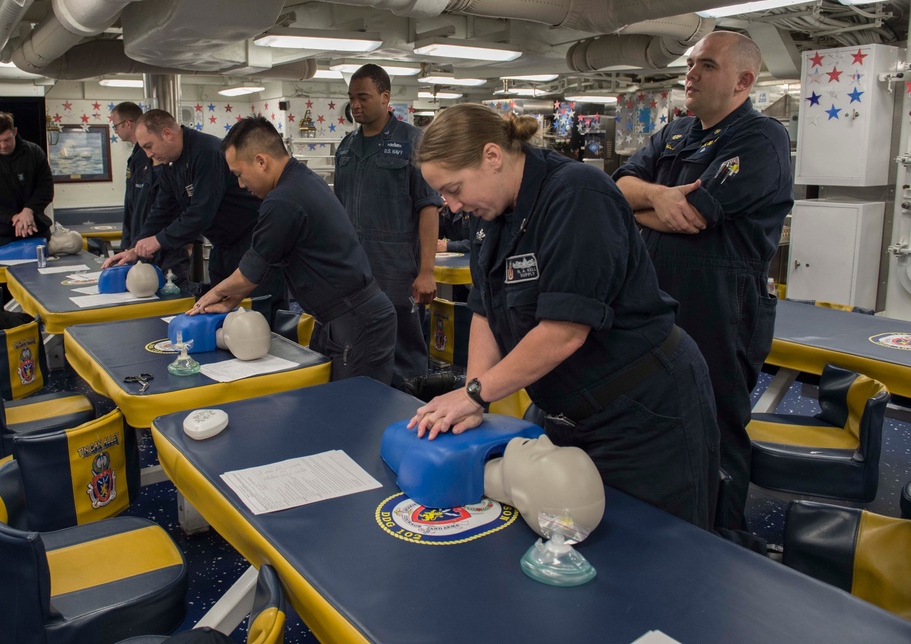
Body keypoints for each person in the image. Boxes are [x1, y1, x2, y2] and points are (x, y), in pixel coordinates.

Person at [408, 103, 720, 530]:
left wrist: (474, 395)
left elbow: (564, 331)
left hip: (642, 411)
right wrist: (474, 397)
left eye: (454, 188)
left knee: (657, 552)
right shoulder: (491, 214)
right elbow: (485, 308)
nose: (453, 206)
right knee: (569, 543)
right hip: (566, 410)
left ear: (492, 156)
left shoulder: (577, 196)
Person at [614, 31, 793, 533]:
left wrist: (649, 207)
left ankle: (723, 538)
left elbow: (690, 216)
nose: (690, 73)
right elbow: (619, 189)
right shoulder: (675, 134)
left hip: (723, 305)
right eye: (691, 63)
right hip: (659, 297)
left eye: (706, 65)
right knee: (661, 414)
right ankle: (673, 524)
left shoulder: (759, 138)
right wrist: (658, 197)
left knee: (716, 424)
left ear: (743, 81)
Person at [190, 116, 397, 383]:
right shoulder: (300, 179)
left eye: (240, 175)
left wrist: (208, 298)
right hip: (338, 318)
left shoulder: (283, 200)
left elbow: (249, 273)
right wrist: (231, 298)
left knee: (355, 413)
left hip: (356, 321)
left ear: (261, 162)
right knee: (326, 404)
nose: (241, 185)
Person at [104, 110, 285, 312]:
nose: (148, 155)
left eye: (149, 146)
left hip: (252, 241)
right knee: (221, 309)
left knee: (259, 310)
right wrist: (135, 248)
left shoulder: (207, 152)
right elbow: (161, 209)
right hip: (223, 245)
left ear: (167, 133)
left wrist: (158, 241)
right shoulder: (169, 164)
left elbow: (201, 214)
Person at [334, 64, 443, 387]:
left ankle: (411, 415)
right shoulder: (346, 148)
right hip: (355, 269)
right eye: (352, 98)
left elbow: (428, 207)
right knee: (358, 347)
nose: (355, 105)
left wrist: (427, 271)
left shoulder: (413, 142)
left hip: (398, 269)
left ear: (385, 97)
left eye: (363, 97)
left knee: (405, 352)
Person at [109, 102, 190, 287]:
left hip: (169, 246)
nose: (149, 153)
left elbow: (190, 207)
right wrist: (132, 244)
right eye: (145, 148)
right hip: (144, 241)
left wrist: (190, 240)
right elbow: (135, 205)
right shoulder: (138, 159)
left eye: (150, 146)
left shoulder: (176, 162)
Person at [0, 112, 54, 259]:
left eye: (7, 140)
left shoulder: (34, 152)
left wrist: (29, 210)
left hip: (35, 230)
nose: (3, 146)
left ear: (15, 131)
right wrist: (14, 217)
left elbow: (45, 189)